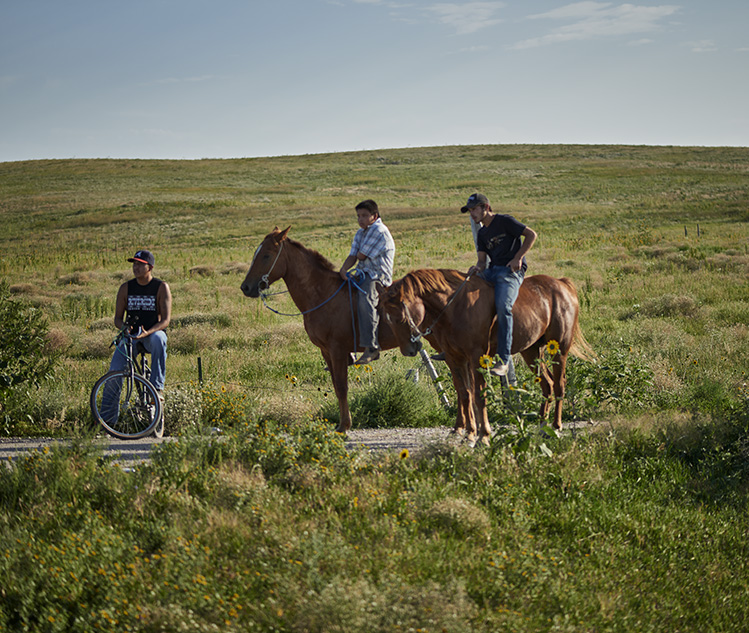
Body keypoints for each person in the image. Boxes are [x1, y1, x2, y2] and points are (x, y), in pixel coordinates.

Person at [464, 193, 537, 384]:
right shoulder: (482, 233)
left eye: (474, 209)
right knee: (463, 293)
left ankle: (503, 360)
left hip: (510, 272)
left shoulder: (505, 221)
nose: (472, 214)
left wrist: (518, 258)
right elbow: (481, 261)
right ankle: (456, 347)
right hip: (492, 271)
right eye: (470, 210)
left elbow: (531, 235)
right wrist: (477, 268)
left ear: (486, 207)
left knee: (504, 308)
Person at [109, 249, 172, 436]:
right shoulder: (125, 288)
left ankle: (156, 390)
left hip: (152, 333)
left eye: (139, 264)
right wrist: (125, 329)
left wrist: (148, 332)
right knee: (114, 371)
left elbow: (166, 320)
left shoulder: (161, 287)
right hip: (131, 336)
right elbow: (117, 319)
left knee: (160, 339)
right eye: (134, 264)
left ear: (149, 267)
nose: (135, 267)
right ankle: (106, 420)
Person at [339, 199, 395, 365]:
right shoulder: (360, 233)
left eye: (364, 215)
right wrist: (343, 271)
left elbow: (360, 256)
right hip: (363, 273)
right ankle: (347, 349)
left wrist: (351, 266)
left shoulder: (379, 231)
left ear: (374, 216)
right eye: (358, 216)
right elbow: (353, 256)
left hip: (377, 276)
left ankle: (371, 347)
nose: (360, 219)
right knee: (341, 296)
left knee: (365, 299)